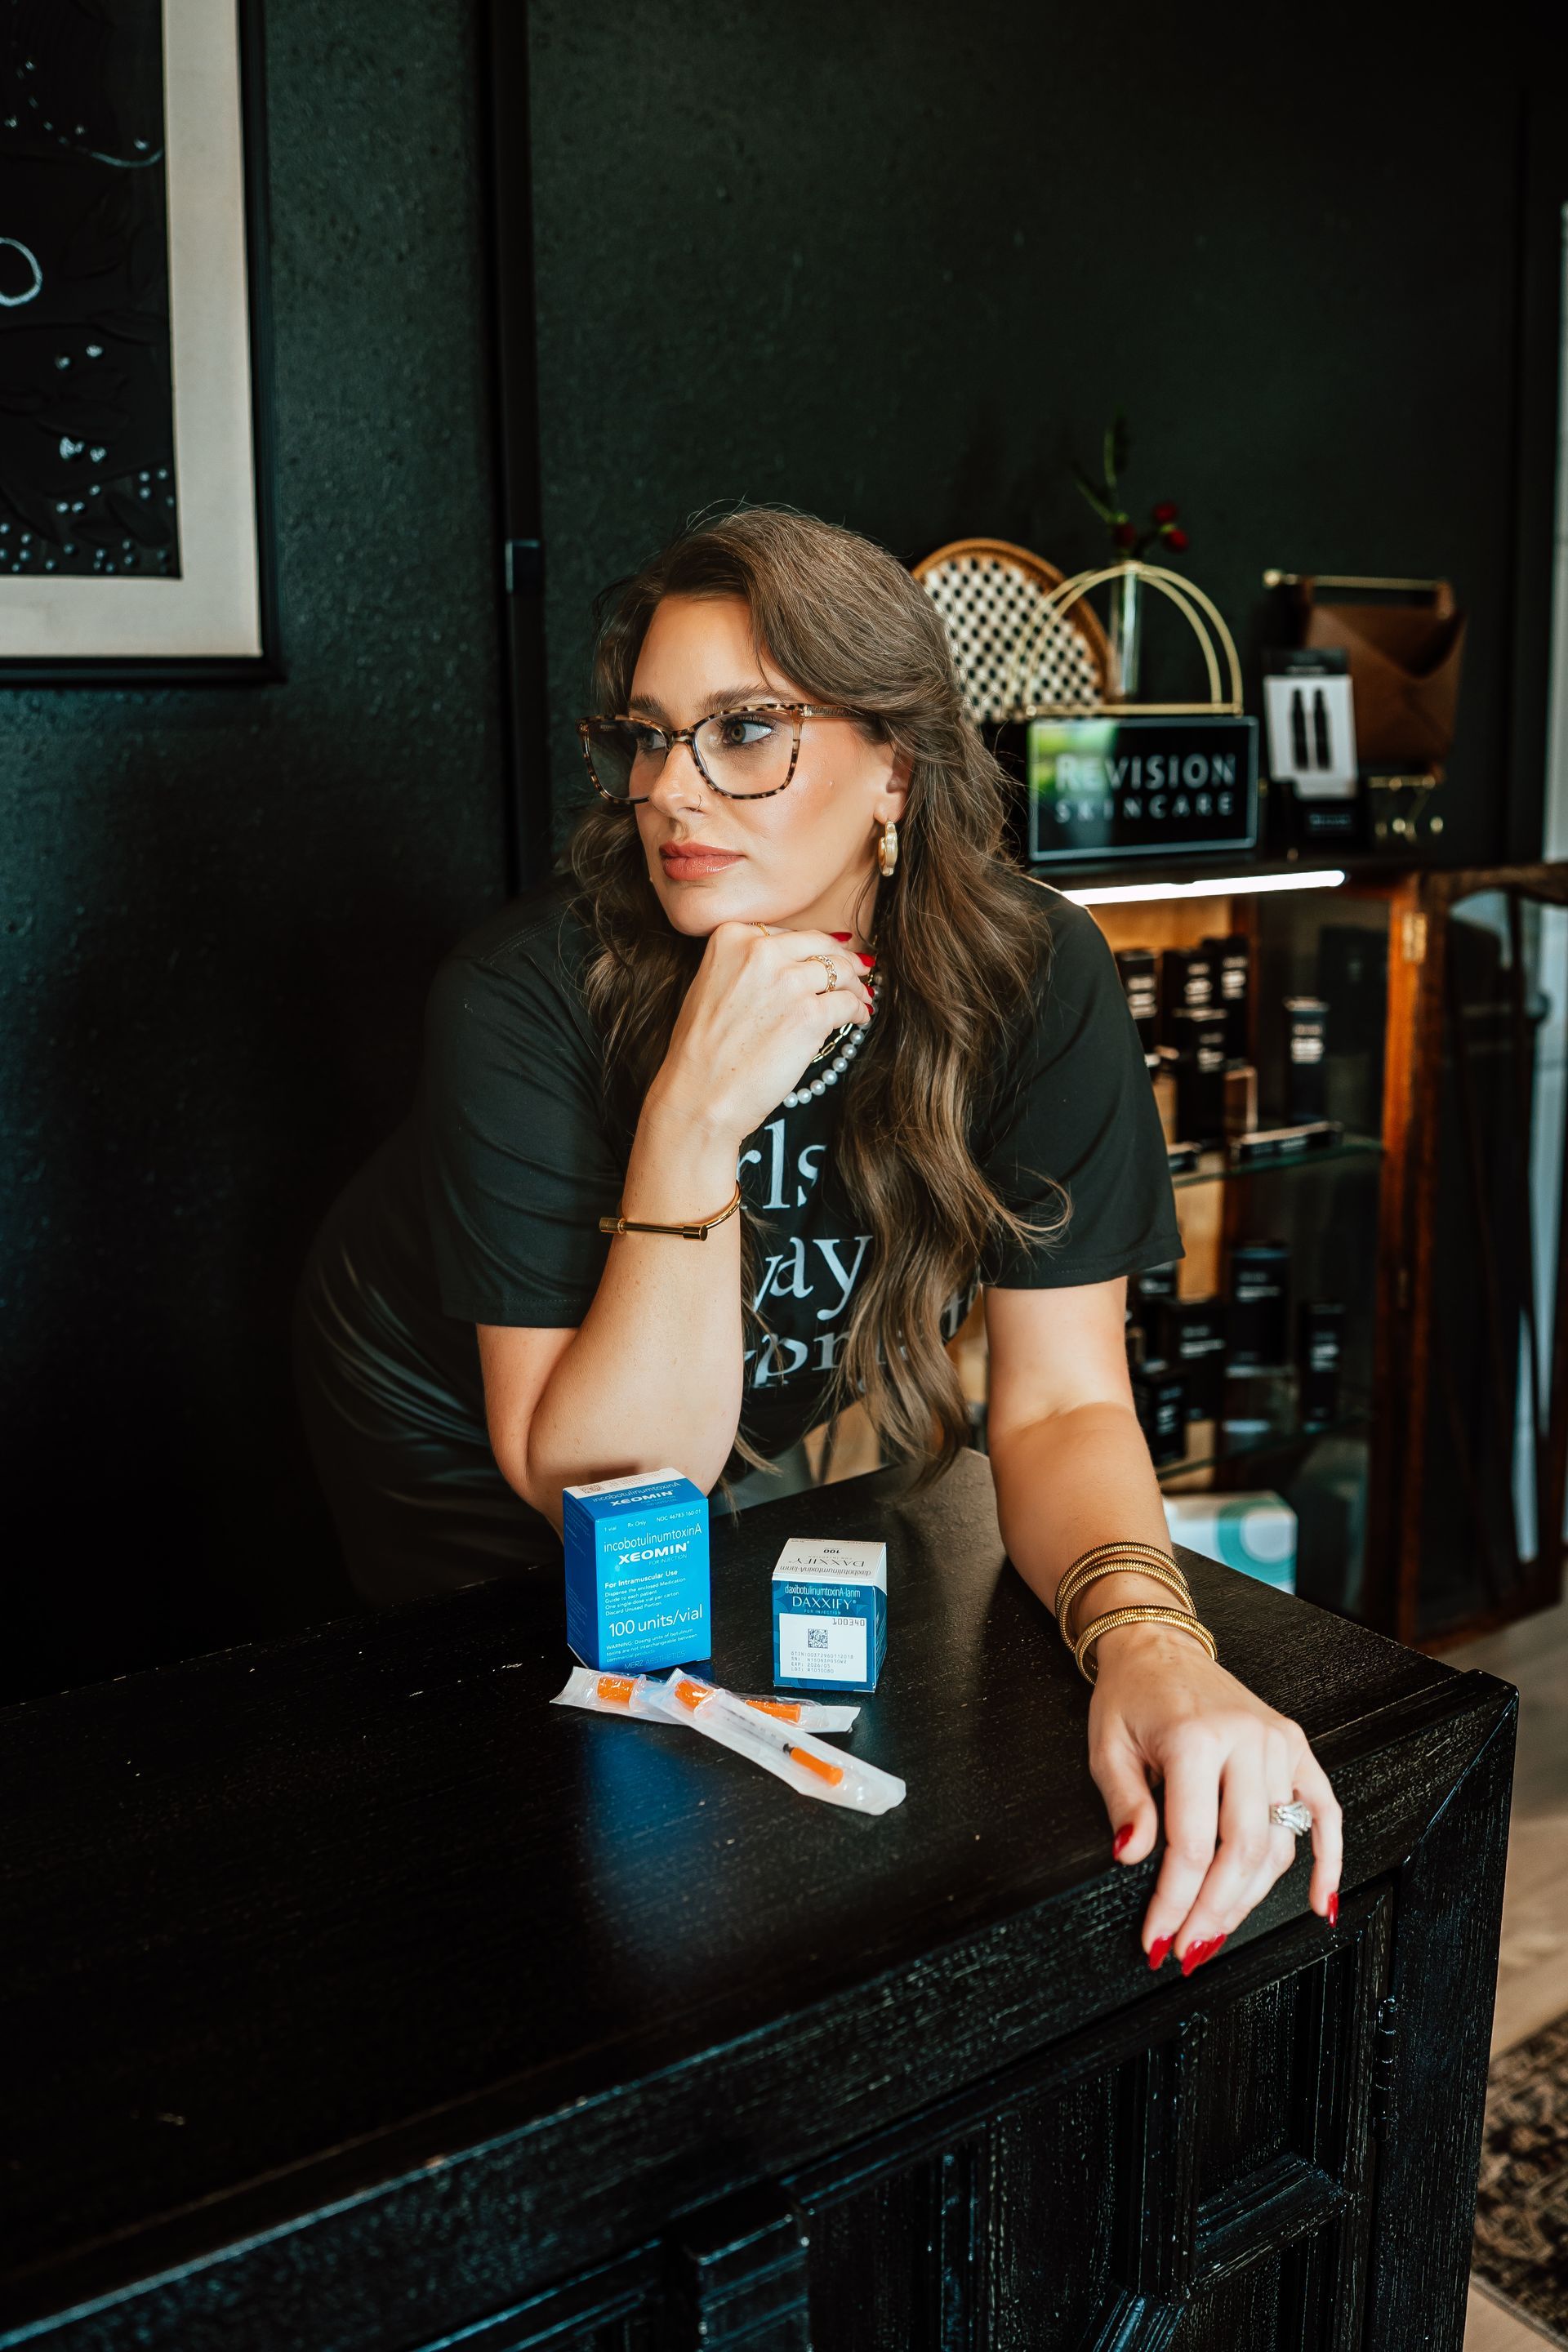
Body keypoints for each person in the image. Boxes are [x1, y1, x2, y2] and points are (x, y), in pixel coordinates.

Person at [295, 506, 1341, 1973]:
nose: (671, 789)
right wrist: (693, 1118)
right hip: (461, 1426)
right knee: (554, 1812)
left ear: (893, 766)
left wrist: (1154, 1645)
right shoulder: (521, 996)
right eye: (650, 737)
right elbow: (604, 1479)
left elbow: (1063, 1399)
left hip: (715, 1402)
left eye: (744, 731)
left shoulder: (1037, 981)